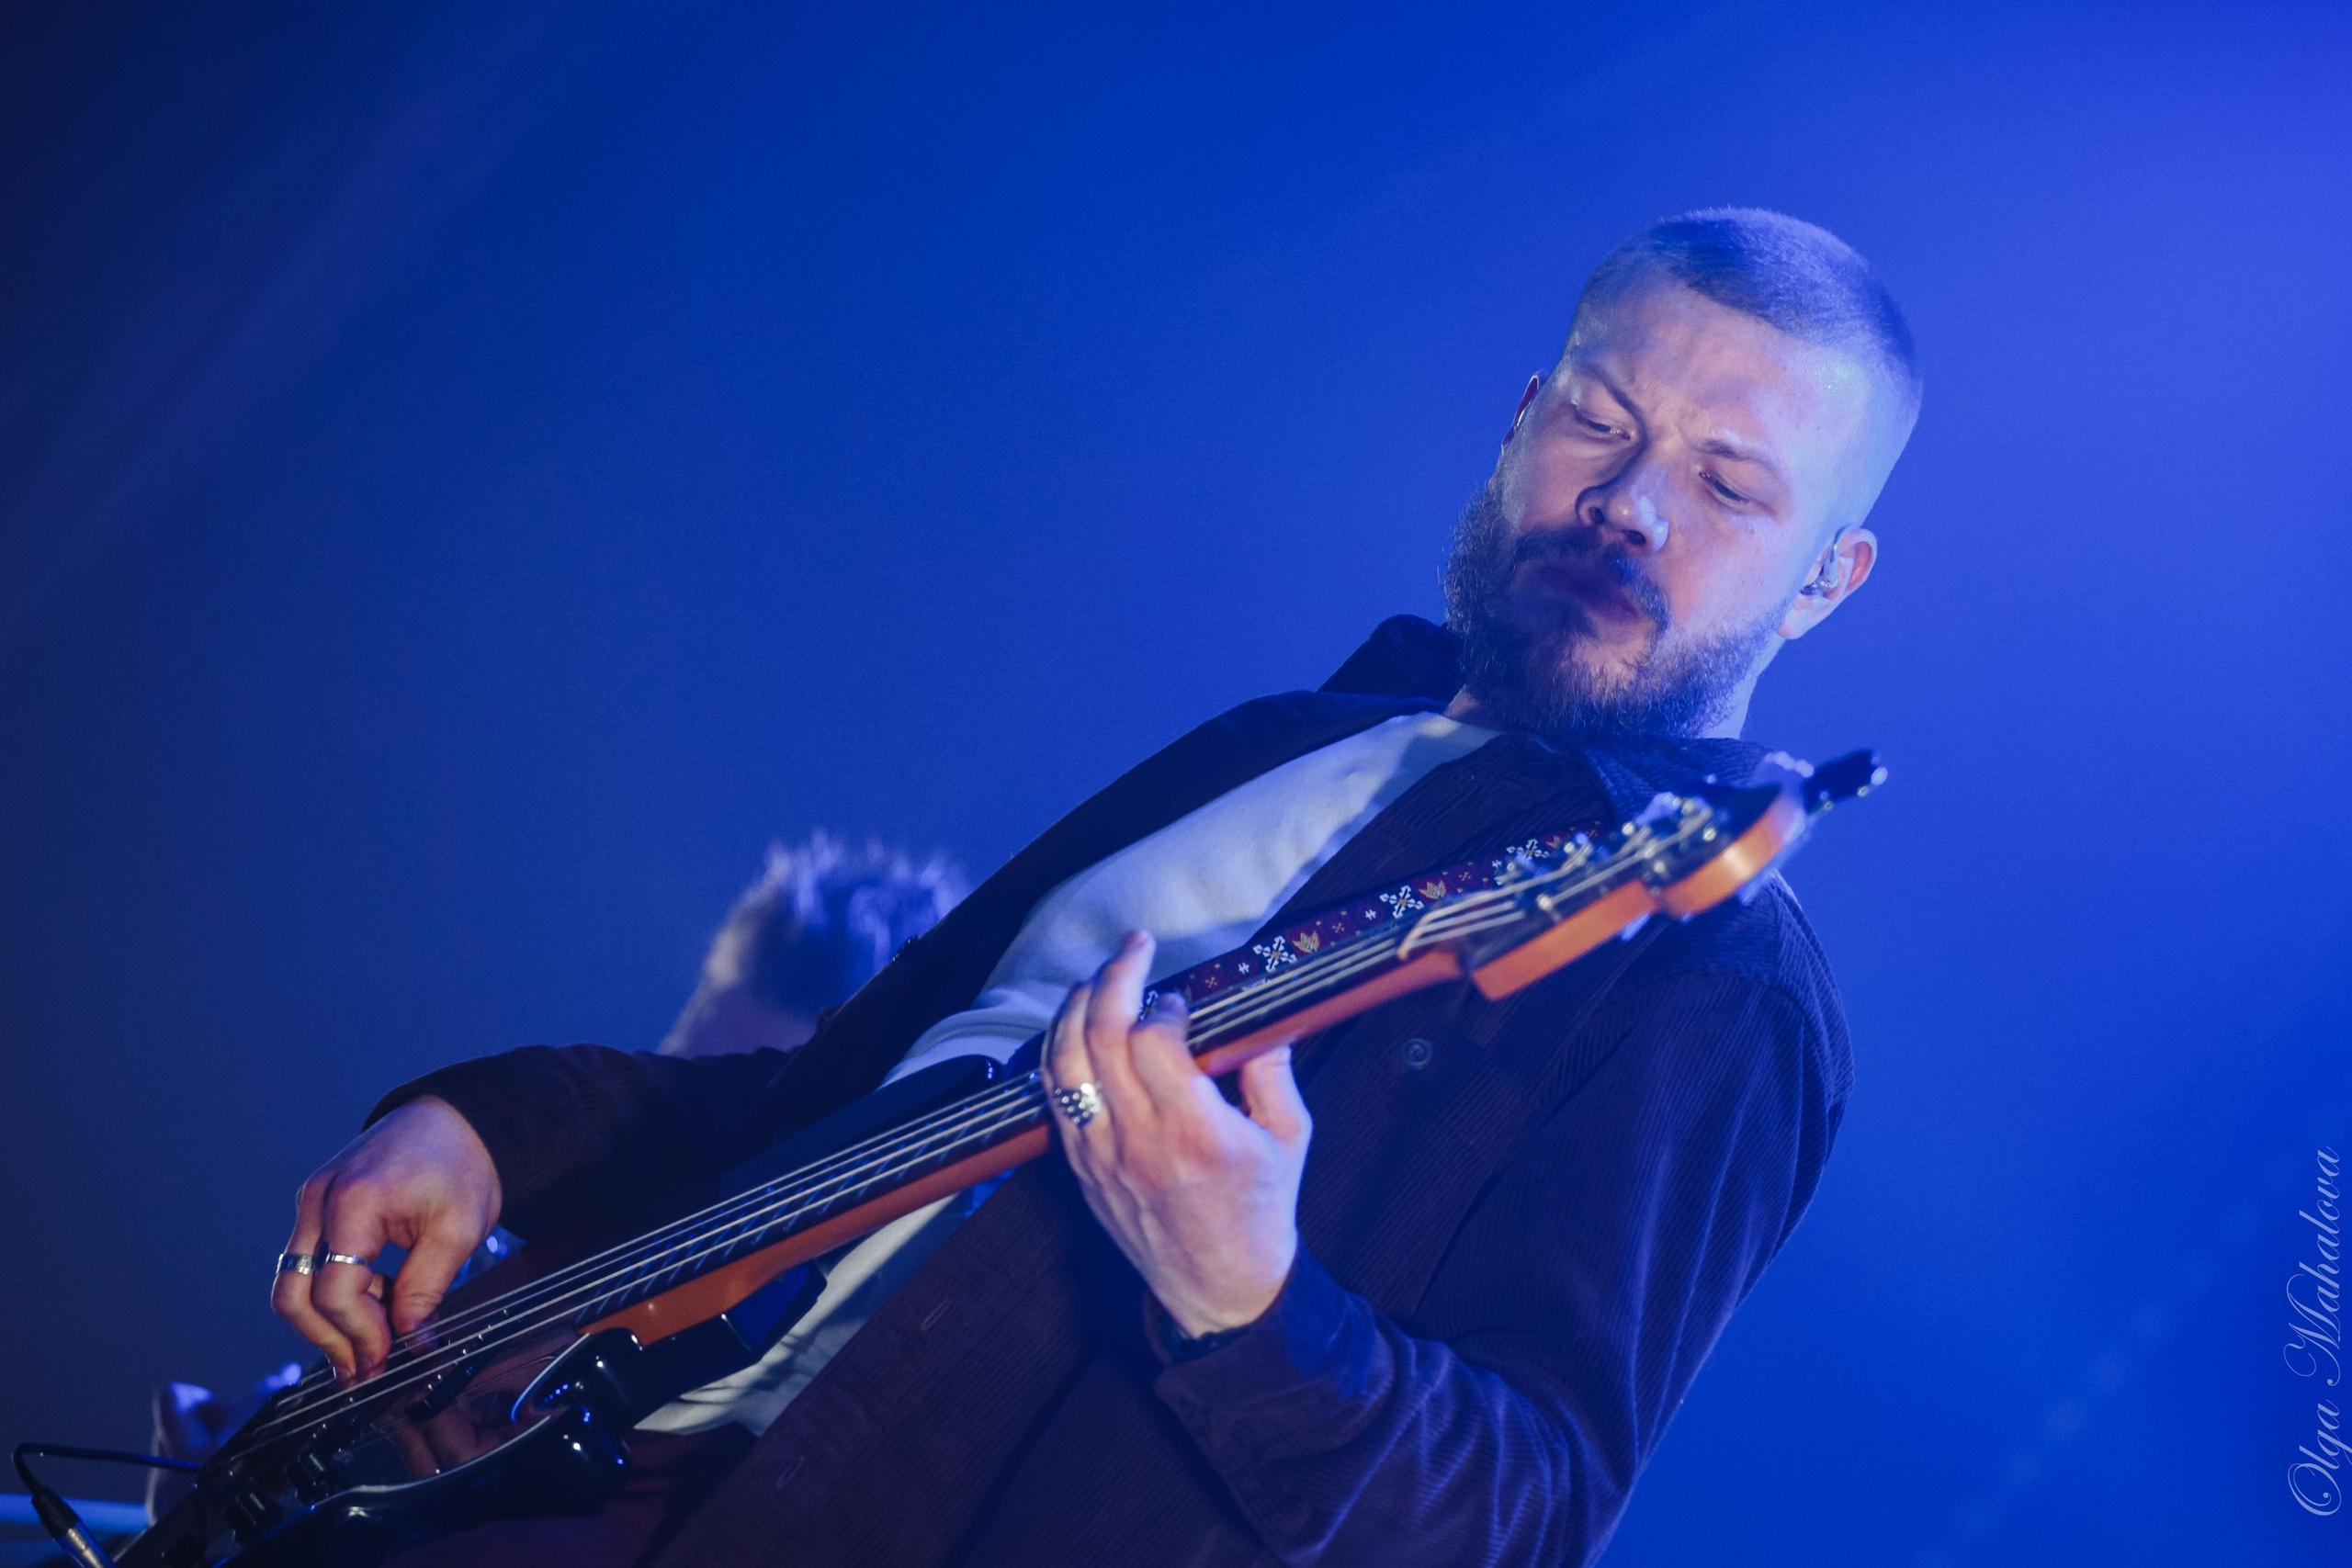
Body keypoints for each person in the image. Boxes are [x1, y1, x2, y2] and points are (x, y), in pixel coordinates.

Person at [267, 207, 1918, 1568]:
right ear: (1520, 420)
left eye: (1728, 484)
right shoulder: (1283, 739)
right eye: (1600, 420)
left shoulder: (1712, 981)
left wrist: (1250, 1304)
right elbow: (824, 1104)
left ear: (1827, 579)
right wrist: (487, 1127)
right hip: (548, 1481)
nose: (1627, 504)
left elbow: (1518, 1523)